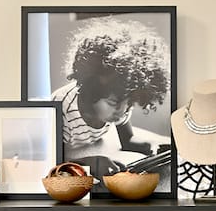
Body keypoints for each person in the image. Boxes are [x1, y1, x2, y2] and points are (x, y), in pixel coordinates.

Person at [51, 17, 170, 180]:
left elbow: (128, 140)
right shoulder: (61, 108)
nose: (122, 111)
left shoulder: (121, 102)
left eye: (129, 104)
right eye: (114, 103)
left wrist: (152, 145)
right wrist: (90, 163)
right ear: (92, 90)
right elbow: (52, 160)